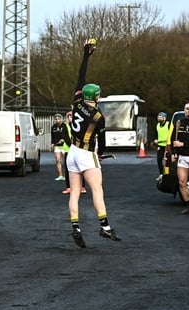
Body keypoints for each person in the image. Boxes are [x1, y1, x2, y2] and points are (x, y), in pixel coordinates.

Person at [67, 39, 120, 248]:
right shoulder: (99, 116)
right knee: (97, 191)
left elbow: (81, 76)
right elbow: (103, 141)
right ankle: (105, 227)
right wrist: (101, 154)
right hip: (87, 154)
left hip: (71, 152)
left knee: (74, 192)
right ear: (95, 97)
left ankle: (76, 228)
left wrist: (86, 55)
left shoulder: (77, 102)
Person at [61, 111, 86, 195]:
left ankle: (82, 187)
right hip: (68, 150)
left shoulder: (79, 126)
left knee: (81, 168)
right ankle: (69, 187)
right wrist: (72, 146)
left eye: (72, 116)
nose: (71, 118)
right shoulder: (65, 126)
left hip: (79, 150)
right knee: (68, 170)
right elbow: (66, 137)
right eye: (69, 116)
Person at [153, 112, 171, 180]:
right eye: (158, 117)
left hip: (167, 145)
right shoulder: (157, 125)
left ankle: (169, 175)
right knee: (159, 160)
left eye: (161, 117)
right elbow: (156, 134)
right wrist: (155, 139)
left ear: (164, 118)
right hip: (160, 145)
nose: (159, 118)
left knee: (168, 161)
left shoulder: (168, 124)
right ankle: (161, 174)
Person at [51, 113, 67, 181]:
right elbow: (52, 136)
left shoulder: (65, 126)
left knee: (65, 161)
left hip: (64, 145)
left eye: (58, 119)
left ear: (61, 119)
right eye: (56, 119)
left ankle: (66, 175)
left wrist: (63, 139)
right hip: (57, 145)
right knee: (58, 160)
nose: (57, 120)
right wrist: (52, 143)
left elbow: (67, 135)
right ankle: (60, 175)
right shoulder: (53, 127)